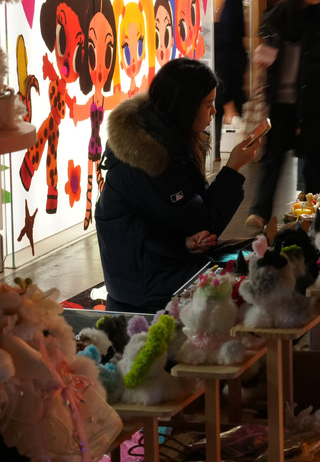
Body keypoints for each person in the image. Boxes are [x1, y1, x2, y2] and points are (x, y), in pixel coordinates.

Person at [95, 59, 259, 313]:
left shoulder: (171, 139)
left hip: (167, 257)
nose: (213, 112)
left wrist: (186, 242)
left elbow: (194, 215)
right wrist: (232, 169)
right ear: (186, 107)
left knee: (260, 252)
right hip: (143, 282)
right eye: (207, 104)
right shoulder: (148, 159)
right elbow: (205, 222)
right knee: (250, 282)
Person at [245, 0, 320, 230]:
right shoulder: (274, 18)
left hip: (313, 104)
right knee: (272, 159)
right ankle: (259, 213)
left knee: (313, 164)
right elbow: (264, 52)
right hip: (278, 104)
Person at [213, 0, 247, 125]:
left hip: (228, 62)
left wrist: (212, 29)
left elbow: (227, 34)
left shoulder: (230, 0)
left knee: (224, 105)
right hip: (233, 59)